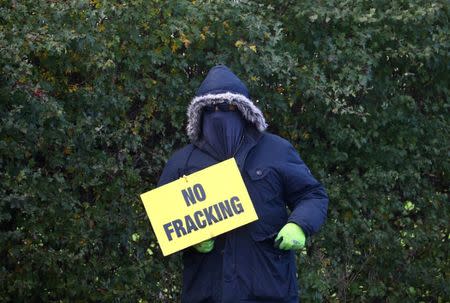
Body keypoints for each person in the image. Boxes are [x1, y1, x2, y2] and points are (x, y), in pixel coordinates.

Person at [157, 65, 329, 303]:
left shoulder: (275, 150)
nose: (219, 115)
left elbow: (313, 194)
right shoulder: (182, 162)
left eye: (227, 107)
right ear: (201, 114)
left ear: (242, 110)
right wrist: (190, 241)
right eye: (211, 109)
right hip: (207, 293)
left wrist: (300, 224)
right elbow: (162, 221)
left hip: (269, 290)